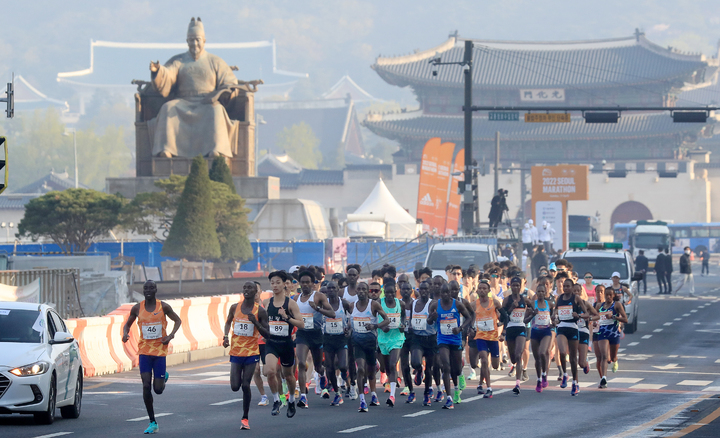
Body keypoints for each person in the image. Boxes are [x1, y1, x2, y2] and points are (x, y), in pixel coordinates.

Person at [122, 280, 182, 434]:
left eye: (151, 288)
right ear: (143, 290)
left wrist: (170, 336)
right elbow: (127, 324)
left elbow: (178, 320)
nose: (148, 290)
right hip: (144, 352)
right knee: (146, 386)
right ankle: (152, 422)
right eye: (145, 288)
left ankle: (164, 377)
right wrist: (125, 333)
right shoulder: (137, 308)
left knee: (158, 390)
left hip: (160, 352)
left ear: (156, 290)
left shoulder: (164, 307)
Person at [222, 281, 269, 430]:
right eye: (245, 287)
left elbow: (267, 333)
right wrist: (225, 336)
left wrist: (256, 322)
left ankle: (245, 418)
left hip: (251, 352)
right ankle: (245, 415)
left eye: (250, 288)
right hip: (236, 352)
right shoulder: (235, 307)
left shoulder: (260, 311)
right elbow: (228, 322)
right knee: (235, 386)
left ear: (256, 292)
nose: (247, 290)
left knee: (245, 384)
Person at [264, 271, 305, 418]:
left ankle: (292, 400)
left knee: (288, 376)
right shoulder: (267, 303)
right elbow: (262, 322)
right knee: (270, 371)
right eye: (272, 283)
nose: (274, 285)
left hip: (286, 343)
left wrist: (287, 317)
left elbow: (301, 324)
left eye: (278, 282)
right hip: (272, 343)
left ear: (284, 284)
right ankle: (276, 400)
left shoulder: (291, 304)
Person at [294, 271, 335, 409]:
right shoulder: (295, 299)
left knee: (318, 366)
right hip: (302, 334)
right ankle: (303, 397)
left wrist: (317, 308)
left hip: (316, 334)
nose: (305, 285)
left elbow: (332, 313)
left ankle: (322, 375)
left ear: (313, 283)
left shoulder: (319, 296)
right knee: (301, 363)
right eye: (302, 282)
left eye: (307, 282)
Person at [350, 282, 389, 412]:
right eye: (359, 289)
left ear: (367, 292)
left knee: (371, 372)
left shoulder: (374, 305)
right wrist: (347, 329)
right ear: (356, 291)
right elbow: (351, 323)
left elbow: (386, 320)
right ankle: (362, 401)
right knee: (360, 369)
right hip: (357, 342)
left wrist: (375, 326)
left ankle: (373, 394)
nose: (361, 291)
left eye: (363, 289)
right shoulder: (352, 306)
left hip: (371, 342)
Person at [436, 283, 473, 408]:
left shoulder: (457, 304)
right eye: (444, 293)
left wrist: (461, 328)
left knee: (456, 369)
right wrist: (431, 317)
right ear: (440, 293)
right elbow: (429, 321)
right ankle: (449, 397)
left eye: (448, 292)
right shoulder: (436, 305)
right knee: (446, 366)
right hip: (442, 339)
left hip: (455, 339)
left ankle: (457, 388)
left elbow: (468, 317)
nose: (446, 295)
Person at [468, 279, 506, 398]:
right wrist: (470, 327)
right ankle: (489, 388)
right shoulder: (474, 304)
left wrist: (502, 329)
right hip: (480, 336)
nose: (482, 290)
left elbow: (505, 316)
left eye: (485, 288)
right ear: (477, 290)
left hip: (493, 337)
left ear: (489, 290)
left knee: (494, 365)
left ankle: (480, 383)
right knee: (484, 360)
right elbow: (468, 317)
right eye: (480, 288)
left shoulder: (495, 302)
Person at [552, 277, 586, 396]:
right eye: (564, 286)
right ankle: (565, 375)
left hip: (573, 328)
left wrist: (578, 315)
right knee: (561, 352)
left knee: (573, 358)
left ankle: (575, 383)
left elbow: (586, 313)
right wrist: (554, 317)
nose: (565, 288)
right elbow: (555, 311)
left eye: (568, 286)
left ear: (572, 287)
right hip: (561, 327)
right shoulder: (559, 298)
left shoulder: (576, 298)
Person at [322, 280, 352, 407]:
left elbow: (352, 318)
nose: (331, 290)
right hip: (327, 338)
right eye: (329, 288)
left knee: (343, 365)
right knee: (329, 367)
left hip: (341, 338)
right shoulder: (323, 304)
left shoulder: (343, 303)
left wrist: (349, 329)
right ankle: (337, 393)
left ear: (338, 289)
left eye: (334, 288)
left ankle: (348, 380)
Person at [410, 281, 440, 406]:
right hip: (417, 338)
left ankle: (427, 394)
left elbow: (436, 318)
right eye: (421, 289)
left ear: (429, 290)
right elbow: (412, 319)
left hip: (431, 339)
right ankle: (418, 369)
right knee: (415, 362)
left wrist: (432, 318)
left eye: (426, 289)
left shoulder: (433, 303)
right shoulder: (414, 303)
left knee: (430, 369)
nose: (423, 291)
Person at [377, 281, 406, 407]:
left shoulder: (400, 303)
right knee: (387, 368)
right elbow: (374, 318)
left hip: (397, 338)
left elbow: (403, 317)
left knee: (393, 364)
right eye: (387, 293)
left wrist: (403, 325)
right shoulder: (379, 303)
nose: (390, 295)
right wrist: (382, 327)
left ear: (395, 293)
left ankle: (392, 396)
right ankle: (390, 380)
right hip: (383, 339)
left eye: (392, 293)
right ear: (384, 293)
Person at [502, 276, 533, 395]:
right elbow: (502, 316)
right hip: (510, 328)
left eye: (517, 285)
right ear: (510, 286)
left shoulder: (524, 300)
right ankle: (513, 364)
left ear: (520, 287)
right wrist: (511, 308)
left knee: (519, 354)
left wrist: (532, 314)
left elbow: (531, 311)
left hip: (521, 328)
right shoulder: (507, 299)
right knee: (514, 357)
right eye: (513, 285)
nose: (515, 287)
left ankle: (518, 384)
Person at [595, 285, 628, 388]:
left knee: (612, 357)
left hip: (613, 333)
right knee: (604, 356)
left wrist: (613, 317)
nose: (608, 297)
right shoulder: (599, 306)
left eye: (610, 295)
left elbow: (625, 319)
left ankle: (615, 360)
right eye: (607, 295)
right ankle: (603, 378)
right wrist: (594, 321)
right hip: (602, 333)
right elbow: (595, 316)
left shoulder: (616, 305)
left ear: (613, 296)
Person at [524, 283, 553, 392]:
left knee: (542, 352)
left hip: (546, 332)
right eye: (539, 291)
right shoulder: (532, 304)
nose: (540, 293)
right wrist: (532, 314)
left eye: (542, 291)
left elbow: (554, 315)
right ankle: (539, 379)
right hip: (535, 332)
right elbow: (525, 320)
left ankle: (544, 374)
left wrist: (554, 321)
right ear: (536, 293)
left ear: (545, 293)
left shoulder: (549, 304)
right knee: (537, 358)